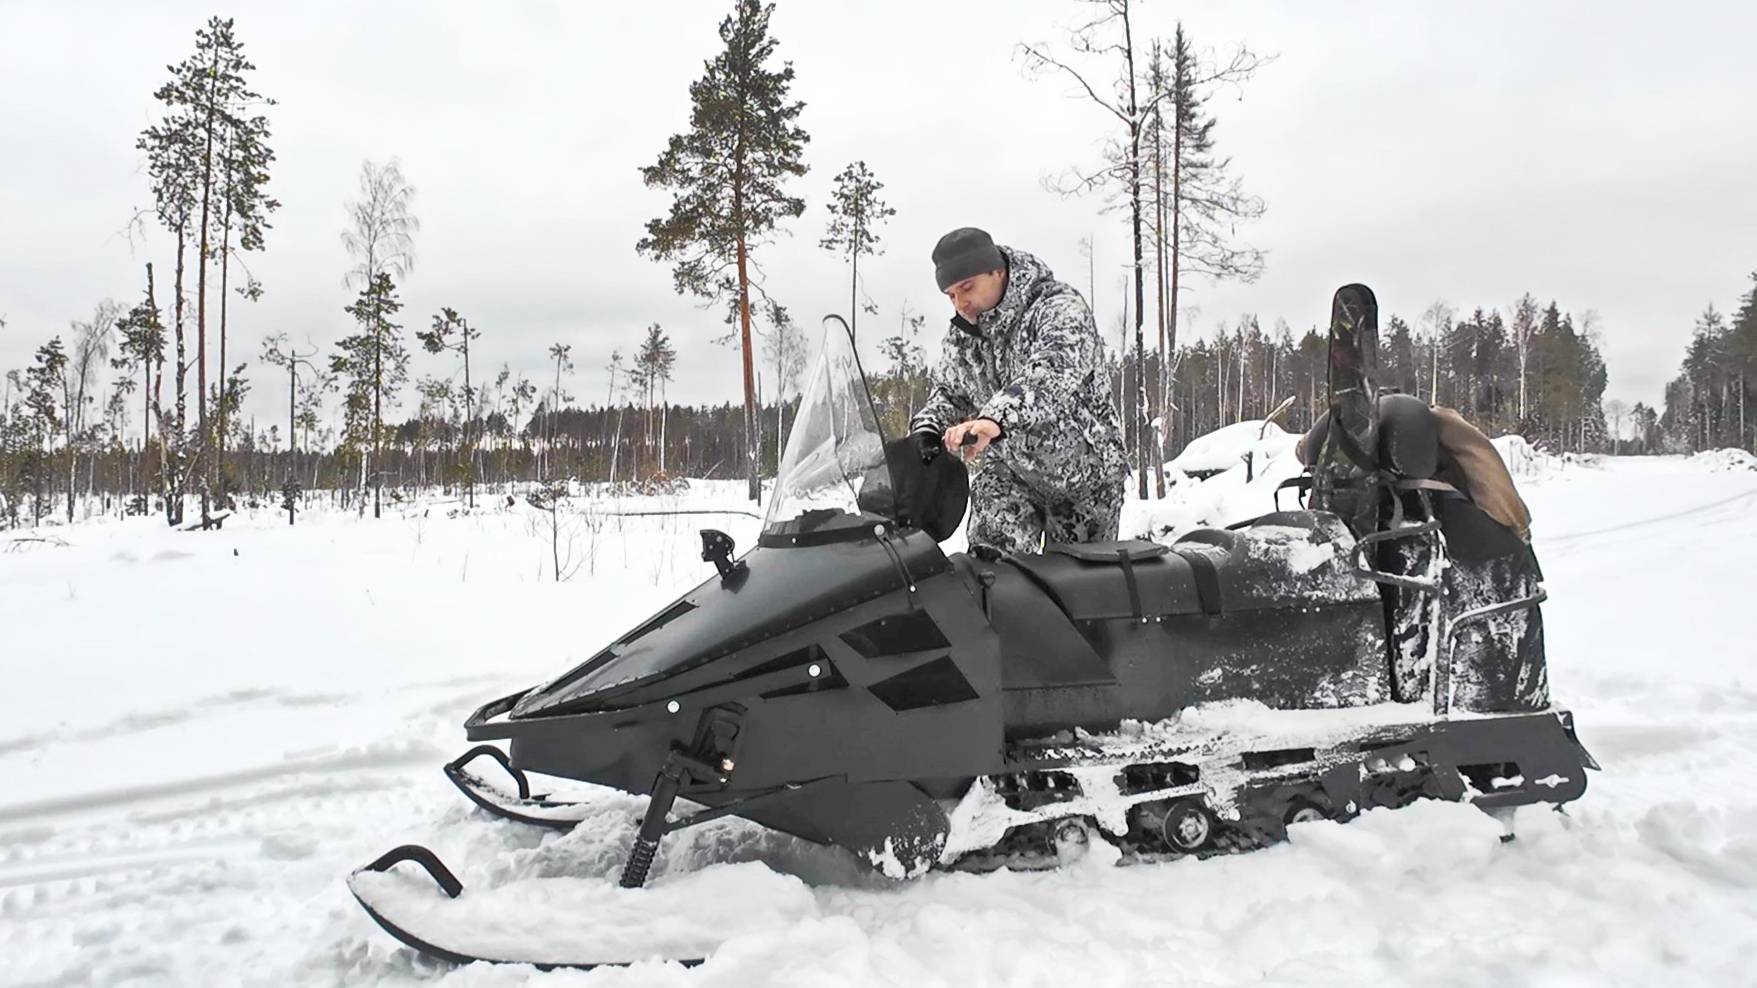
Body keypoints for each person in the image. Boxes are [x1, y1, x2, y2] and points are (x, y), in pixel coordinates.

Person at [909, 227, 1129, 556]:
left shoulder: (1058, 307)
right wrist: (927, 429)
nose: (961, 303)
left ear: (997, 271)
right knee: (991, 577)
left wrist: (995, 419)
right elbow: (950, 393)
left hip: (1084, 478)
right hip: (1012, 473)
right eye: (951, 295)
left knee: (1081, 593)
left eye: (967, 287)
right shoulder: (965, 336)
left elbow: (1054, 370)